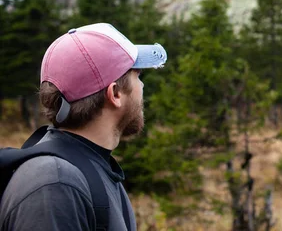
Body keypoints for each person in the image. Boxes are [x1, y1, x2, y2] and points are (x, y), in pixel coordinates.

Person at [0, 23, 167, 230]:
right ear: (115, 94)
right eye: (137, 75)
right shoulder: (55, 185)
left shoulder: (92, 168)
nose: (142, 86)